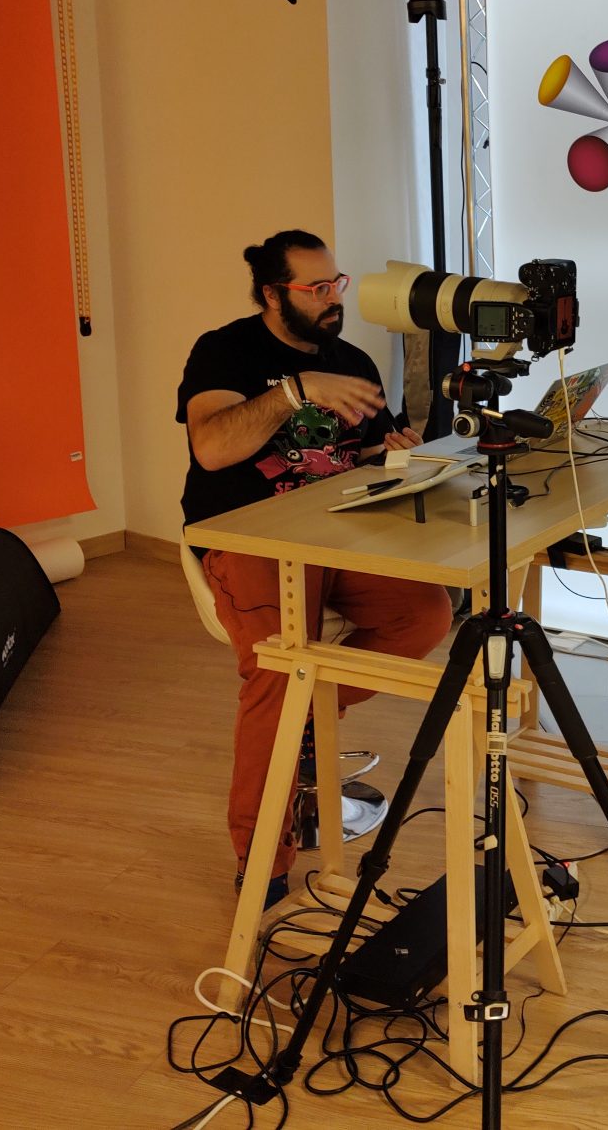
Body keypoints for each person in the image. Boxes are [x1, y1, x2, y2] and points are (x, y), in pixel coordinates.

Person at [177, 230, 452, 908]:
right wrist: (295, 392)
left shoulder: (353, 360)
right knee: (278, 670)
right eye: (317, 289)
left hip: (336, 537)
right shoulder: (224, 351)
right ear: (274, 294)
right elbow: (211, 448)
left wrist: (393, 453)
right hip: (249, 539)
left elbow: (361, 460)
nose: (334, 299)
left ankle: (305, 718)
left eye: (338, 284)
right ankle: (262, 865)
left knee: (426, 615)